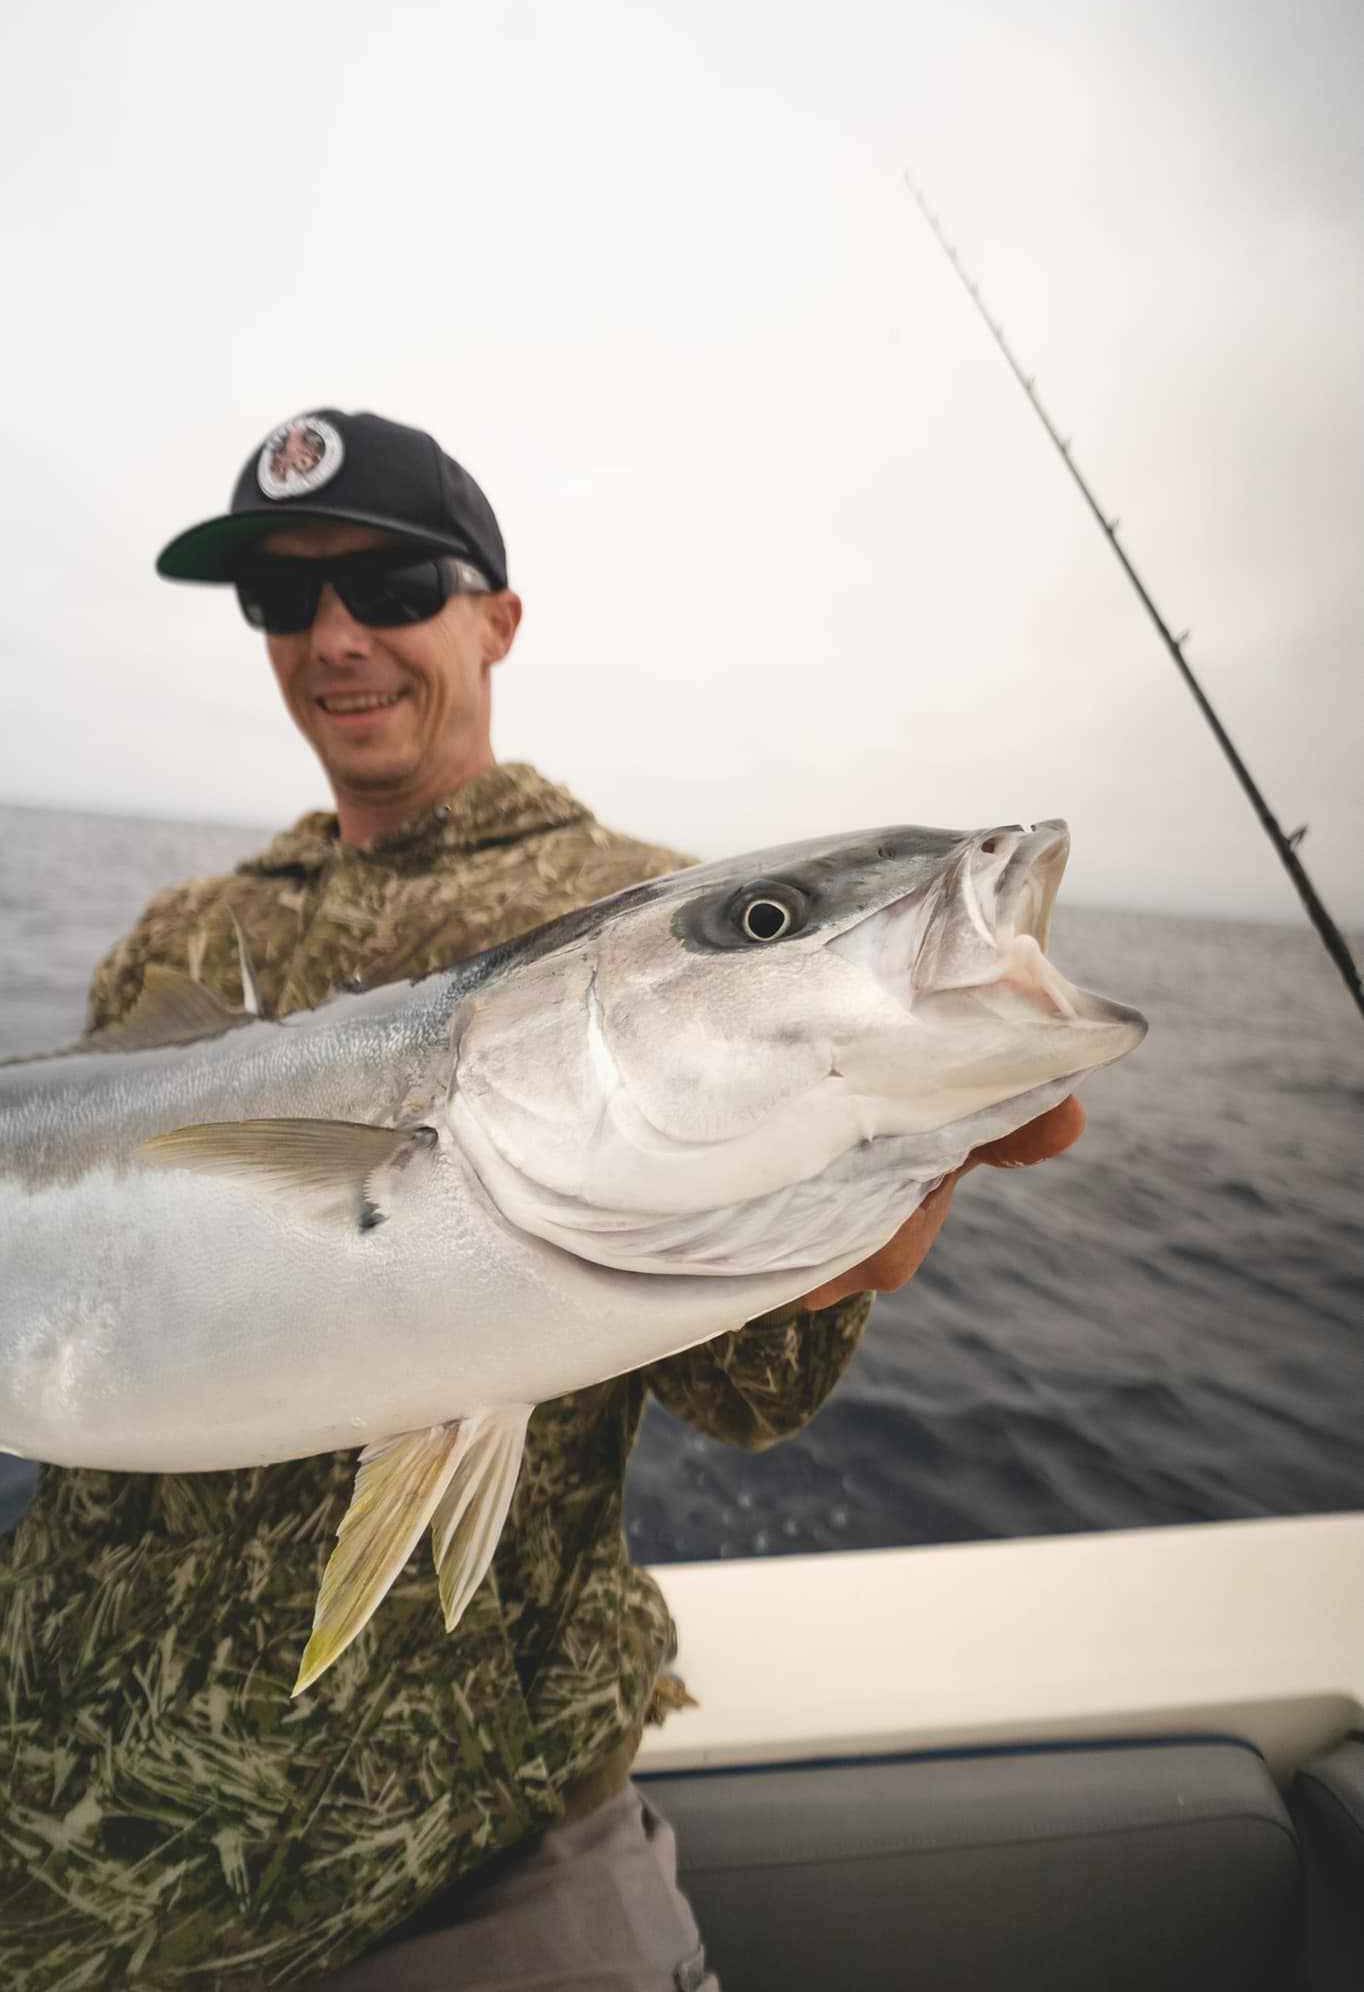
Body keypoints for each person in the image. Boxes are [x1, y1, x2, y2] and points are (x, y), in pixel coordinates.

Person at [0, 409, 1083, 1990]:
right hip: (70, 1819)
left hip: (457, 1838)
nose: (335, 637)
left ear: (498, 616)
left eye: (388, 578)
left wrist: (844, 1219)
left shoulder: (635, 901)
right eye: (280, 603)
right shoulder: (187, 930)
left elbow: (747, 1385)